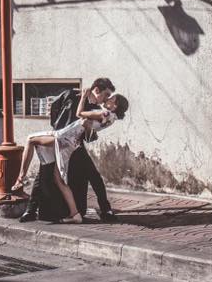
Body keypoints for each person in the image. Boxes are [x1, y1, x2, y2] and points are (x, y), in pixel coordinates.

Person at [13, 85, 129, 224]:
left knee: (34, 146)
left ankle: (23, 186)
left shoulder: (104, 113)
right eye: (107, 95)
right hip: (72, 141)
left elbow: (79, 113)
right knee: (59, 178)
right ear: (97, 90)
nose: (107, 99)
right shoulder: (108, 115)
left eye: (110, 97)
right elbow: (86, 125)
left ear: (115, 105)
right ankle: (77, 213)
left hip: (65, 138)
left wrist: (84, 97)